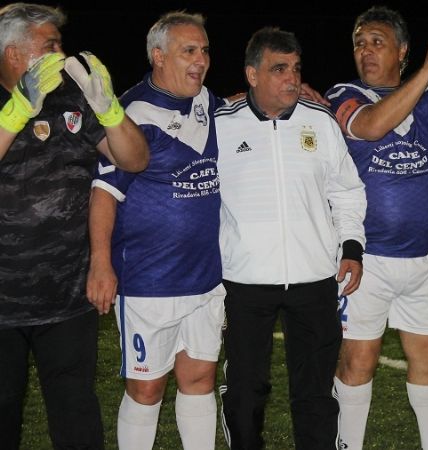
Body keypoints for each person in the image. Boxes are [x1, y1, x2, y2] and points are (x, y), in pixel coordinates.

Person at [326, 6, 428, 450]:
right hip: (365, 261)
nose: (365, 51)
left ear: (403, 51)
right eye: (360, 42)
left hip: (420, 259)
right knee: (358, 361)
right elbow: (373, 126)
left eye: (377, 41)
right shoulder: (344, 94)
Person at [0, 3, 149, 449]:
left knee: (76, 416)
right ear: (13, 55)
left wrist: (110, 109)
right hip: (2, 302)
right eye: (50, 45)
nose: (61, 54)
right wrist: (15, 113)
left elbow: (135, 160)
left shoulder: (71, 99)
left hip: (66, 297)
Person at [215, 27, 366, 450]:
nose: (292, 78)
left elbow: (347, 190)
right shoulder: (220, 126)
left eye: (296, 68)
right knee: (245, 393)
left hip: (315, 279)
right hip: (245, 282)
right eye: (279, 69)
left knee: (315, 393)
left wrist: (351, 246)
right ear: (252, 74)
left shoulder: (321, 122)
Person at [87, 11, 226, 450]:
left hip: (206, 277)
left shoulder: (211, 103)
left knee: (199, 378)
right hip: (150, 281)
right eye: (190, 51)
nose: (201, 59)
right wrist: (101, 263)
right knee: (147, 389)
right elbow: (105, 192)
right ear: (158, 56)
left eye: (204, 50)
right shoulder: (132, 111)